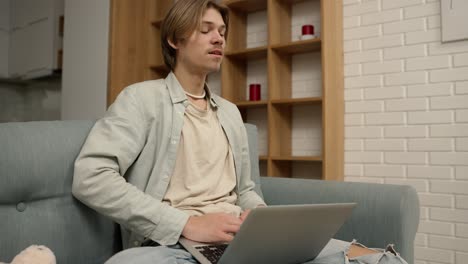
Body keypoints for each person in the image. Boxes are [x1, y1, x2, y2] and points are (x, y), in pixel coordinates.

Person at [72, 1, 409, 263]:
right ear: (174, 39)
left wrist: (264, 223)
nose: (218, 37)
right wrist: (185, 224)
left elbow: (245, 190)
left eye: (221, 31)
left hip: (244, 240)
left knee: (380, 259)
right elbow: (91, 177)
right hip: (174, 244)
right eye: (205, 29)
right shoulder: (141, 99)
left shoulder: (230, 113)